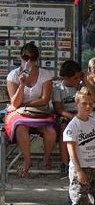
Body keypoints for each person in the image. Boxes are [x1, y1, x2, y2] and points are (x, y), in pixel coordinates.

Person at [5, 41, 57, 176]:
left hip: (37, 111)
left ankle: (46, 159)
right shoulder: (13, 75)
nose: (29, 61)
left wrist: (26, 105)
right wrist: (22, 84)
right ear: (21, 58)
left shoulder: (45, 74)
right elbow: (15, 103)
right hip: (20, 113)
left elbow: (44, 99)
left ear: (37, 59)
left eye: (32, 58)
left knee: (50, 131)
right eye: (26, 58)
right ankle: (27, 161)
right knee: (21, 128)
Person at [53, 59, 83, 176]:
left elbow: (92, 97)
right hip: (66, 116)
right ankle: (65, 163)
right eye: (76, 78)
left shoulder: (81, 87)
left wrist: (85, 80)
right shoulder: (58, 89)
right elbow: (59, 109)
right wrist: (72, 117)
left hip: (80, 114)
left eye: (80, 77)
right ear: (66, 77)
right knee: (65, 131)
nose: (78, 80)